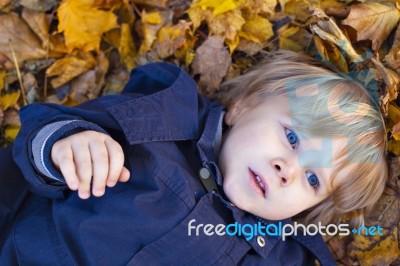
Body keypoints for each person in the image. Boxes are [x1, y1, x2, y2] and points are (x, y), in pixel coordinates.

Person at [0, 50, 387, 265]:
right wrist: (67, 145)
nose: (287, 170)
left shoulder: (276, 257)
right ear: (242, 106)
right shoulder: (164, 120)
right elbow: (52, 131)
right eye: (291, 137)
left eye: (313, 179)